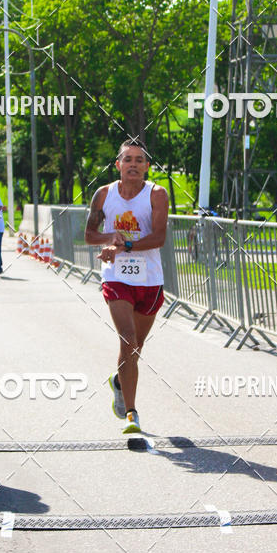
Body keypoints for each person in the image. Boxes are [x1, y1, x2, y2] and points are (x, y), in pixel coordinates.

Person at [84, 138, 168, 434]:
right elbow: (90, 235)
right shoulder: (104, 195)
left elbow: (159, 238)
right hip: (117, 277)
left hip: (150, 280)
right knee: (129, 341)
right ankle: (132, 414)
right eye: (127, 159)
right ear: (118, 165)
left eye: (139, 160)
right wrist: (111, 239)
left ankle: (119, 381)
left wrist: (125, 245)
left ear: (146, 167)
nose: (133, 164)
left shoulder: (157, 194)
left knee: (135, 349)